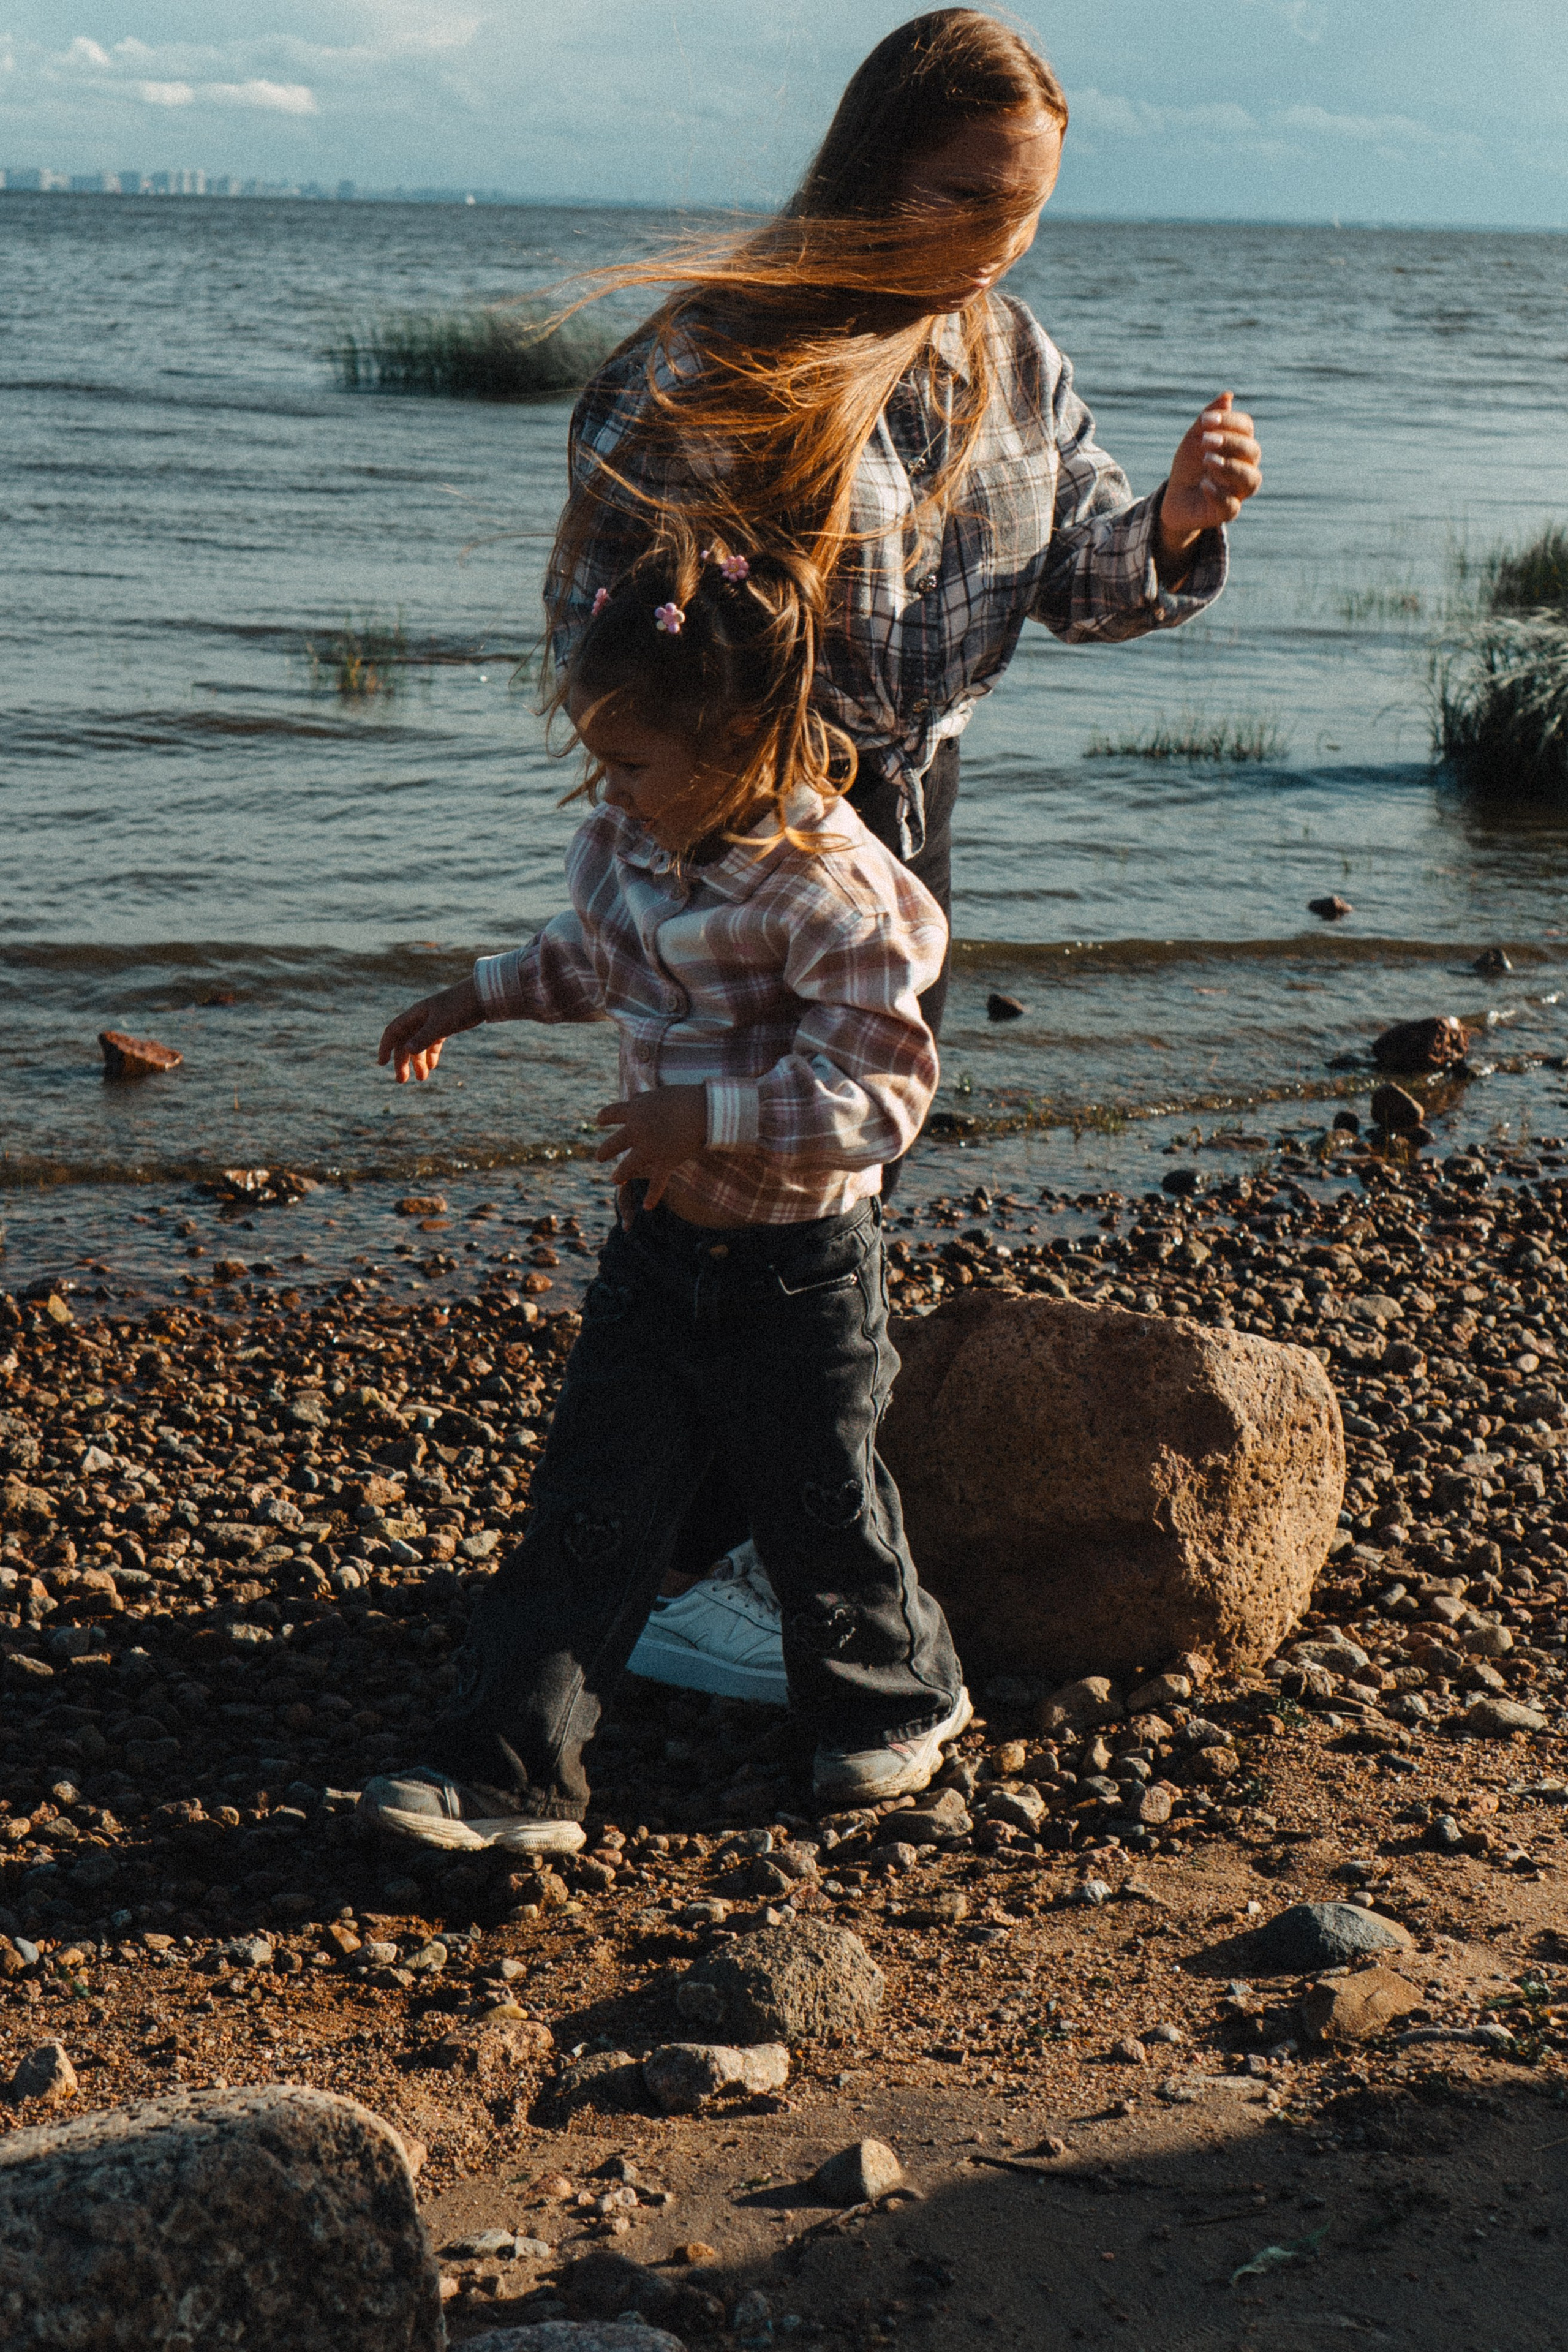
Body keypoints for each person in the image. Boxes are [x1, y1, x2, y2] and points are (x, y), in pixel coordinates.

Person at [540, 7, 1264, 1692]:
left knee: (834, 1182)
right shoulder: (711, 360)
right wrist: (726, 803)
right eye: (965, 197)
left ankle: (711, 1560)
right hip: (751, 836)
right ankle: (708, 1573)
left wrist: (1173, 523)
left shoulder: (1007, 353)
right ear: (871, 169)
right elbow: (598, 628)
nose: (998, 243)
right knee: (740, 1214)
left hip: (912, 822)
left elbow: (1073, 578)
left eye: (1027, 210)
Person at [361, 537, 969, 1853]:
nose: (609, 791)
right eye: (598, 762)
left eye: (632, 765)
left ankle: (896, 1701)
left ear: (742, 743)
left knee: (821, 1509)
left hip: (801, 1269)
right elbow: (592, 957)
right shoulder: (635, 846)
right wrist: (474, 995)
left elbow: (883, 1097)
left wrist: (710, 1115)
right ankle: (508, 1773)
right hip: (657, 1250)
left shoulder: (832, 890)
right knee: (591, 1503)